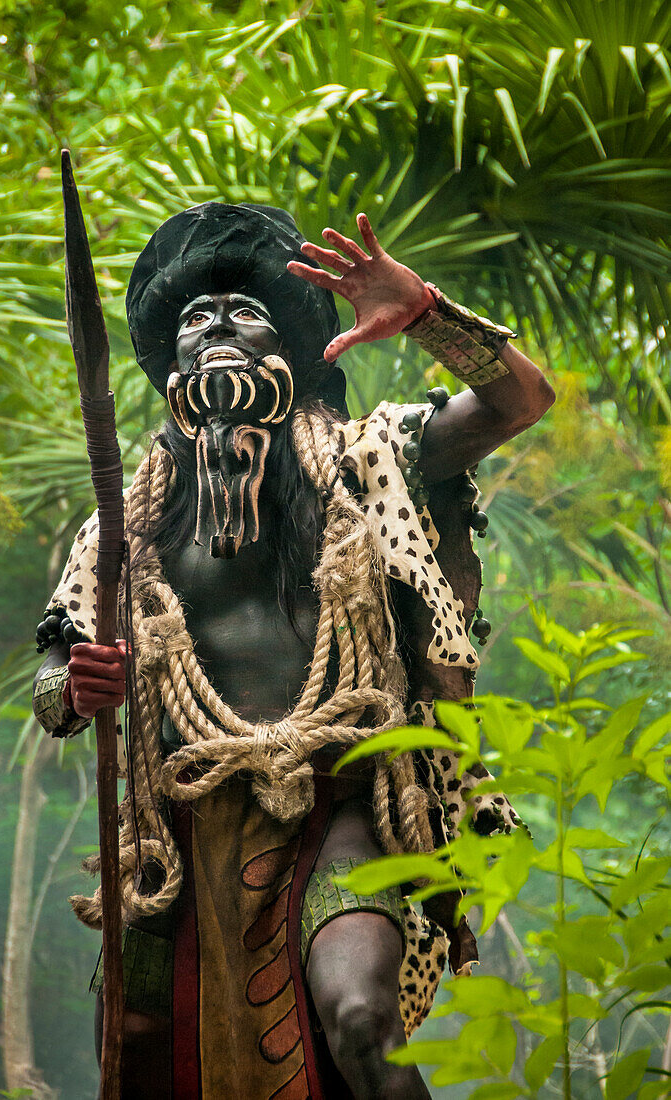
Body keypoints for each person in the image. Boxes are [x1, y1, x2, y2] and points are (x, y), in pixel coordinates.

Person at [32, 203, 554, 1100]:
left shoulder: (372, 460)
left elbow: (522, 400)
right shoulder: (127, 524)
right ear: (175, 364)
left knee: (359, 1018)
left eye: (246, 309)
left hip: (343, 802)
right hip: (182, 830)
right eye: (197, 316)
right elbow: (52, 675)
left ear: (292, 346)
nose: (219, 325)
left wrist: (423, 309)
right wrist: (75, 688)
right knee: (131, 1049)